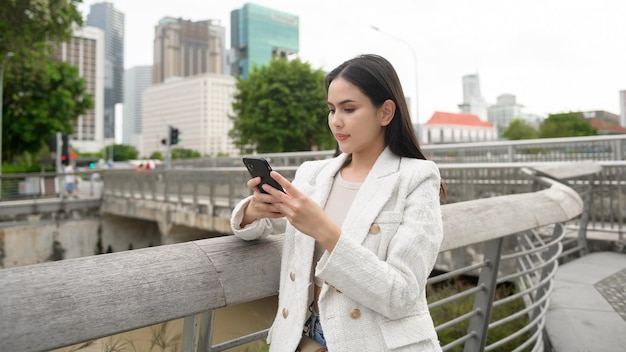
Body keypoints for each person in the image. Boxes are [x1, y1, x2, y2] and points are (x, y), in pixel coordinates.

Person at [230, 54, 444, 351]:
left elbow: (402, 295)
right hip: (303, 338)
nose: (336, 121)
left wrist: (324, 230)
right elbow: (250, 231)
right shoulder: (313, 173)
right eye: (331, 110)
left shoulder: (415, 178)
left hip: (374, 342)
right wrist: (254, 211)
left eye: (349, 109)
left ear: (385, 112)